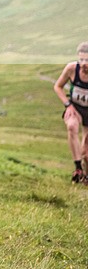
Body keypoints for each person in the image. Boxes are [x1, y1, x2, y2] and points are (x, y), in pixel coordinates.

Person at [53, 42, 88, 184]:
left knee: (86, 151)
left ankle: (86, 176)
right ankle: (78, 168)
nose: (84, 63)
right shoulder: (72, 69)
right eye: (81, 59)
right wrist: (68, 105)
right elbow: (58, 86)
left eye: (87, 60)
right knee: (71, 126)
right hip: (76, 107)